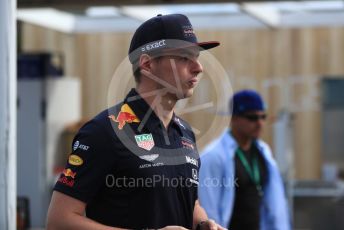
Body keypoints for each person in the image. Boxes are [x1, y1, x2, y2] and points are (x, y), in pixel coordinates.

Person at [47, 14, 224, 230]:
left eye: (196, 57)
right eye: (183, 57)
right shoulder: (104, 131)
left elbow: (189, 201)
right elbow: (59, 221)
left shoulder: (184, 132)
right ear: (147, 64)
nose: (198, 67)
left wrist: (203, 223)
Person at [198, 90, 290, 230]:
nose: (259, 123)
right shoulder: (213, 156)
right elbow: (210, 212)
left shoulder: (263, 151)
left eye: (263, 117)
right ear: (234, 118)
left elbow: (275, 204)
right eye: (252, 117)